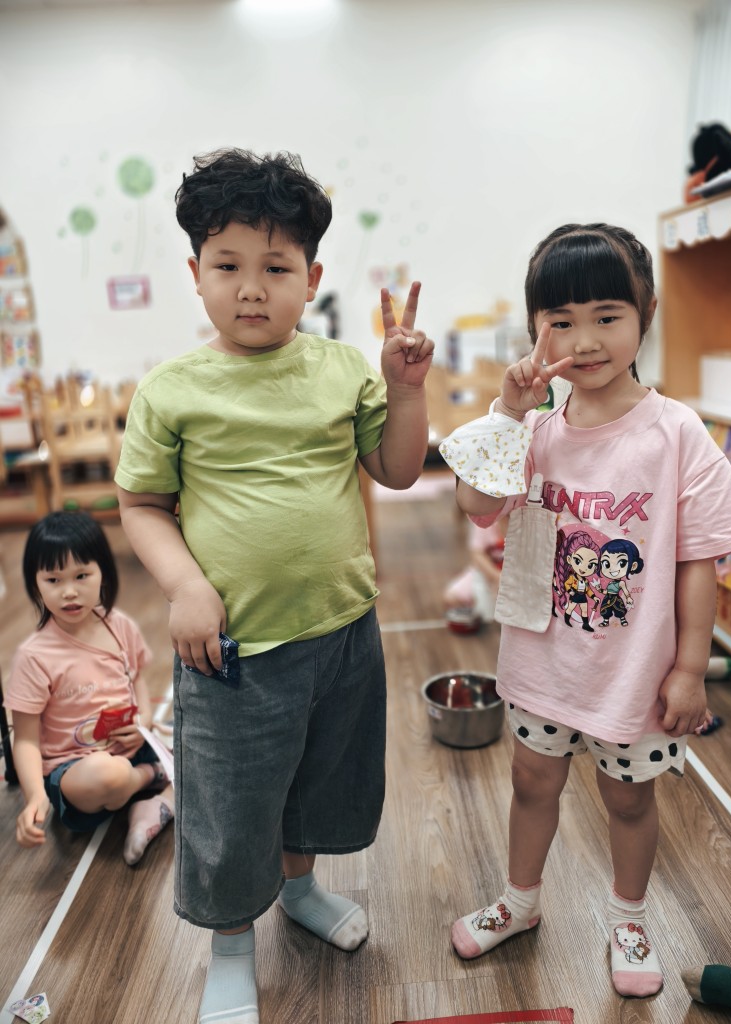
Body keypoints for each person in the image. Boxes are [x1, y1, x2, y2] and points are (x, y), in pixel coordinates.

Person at [114, 148, 433, 1024]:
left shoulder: (342, 369)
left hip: (341, 631)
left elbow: (398, 470)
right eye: (227, 267)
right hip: (232, 651)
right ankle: (230, 946)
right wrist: (184, 584)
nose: (251, 289)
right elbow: (140, 505)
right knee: (231, 804)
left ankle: (299, 891)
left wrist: (405, 390)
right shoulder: (172, 390)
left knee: (320, 781)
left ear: (312, 278)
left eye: (277, 268)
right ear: (196, 274)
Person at [439, 223, 731, 998]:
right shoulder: (534, 431)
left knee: (628, 799)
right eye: (561, 321)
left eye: (606, 316)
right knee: (530, 784)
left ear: (645, 315)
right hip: (543, 661)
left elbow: (699, 558)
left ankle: (628, 918)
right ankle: (520, 903)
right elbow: (476, 505)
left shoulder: (675, 431)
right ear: (535, 331)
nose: (584, 340)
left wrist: (690, 669)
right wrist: (508, 411)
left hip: (634, 673)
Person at [4, 510, 173, 866]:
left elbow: (136, 679)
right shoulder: (34, 657)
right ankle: (153, 780)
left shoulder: (119, 625)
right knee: (108, 773)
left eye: (81, 575)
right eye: (53, 579)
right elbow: (26, 740)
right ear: (35, 583)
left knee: (213, 755)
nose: (69, 591)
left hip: (133, 748)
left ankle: (151, 808)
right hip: (78, 774)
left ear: (103, 573)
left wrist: (142, 724)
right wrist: (35, 797)